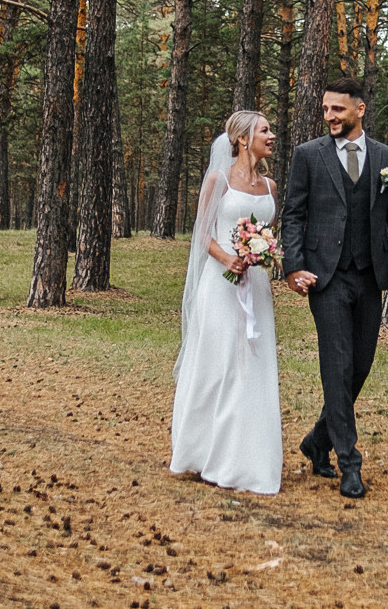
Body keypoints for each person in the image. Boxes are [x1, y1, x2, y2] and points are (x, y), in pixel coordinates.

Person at [281, 77, 388, 499]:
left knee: (359, 367)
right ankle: (349, 463)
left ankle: (316, 441)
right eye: (326, 109)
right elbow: (293, 214)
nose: (330, 116)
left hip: (370, 276)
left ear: (359, 110)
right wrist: (293, 267)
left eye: (338, 109)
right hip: (326, 277)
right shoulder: (308, 155)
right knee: (337, 366)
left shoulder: (385, 157)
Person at [170, 111, 283, 495]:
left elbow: (269, 232)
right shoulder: (218, 180)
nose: (271, 135)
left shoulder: (270, 186)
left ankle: (245, 458)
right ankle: (202, 452)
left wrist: (265, 253)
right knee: (218, 365)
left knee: (252, 367)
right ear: (241, 139)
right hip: (220, 285)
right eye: (265, 130)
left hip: (257, 286)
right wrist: (227, 259)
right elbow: (202, 234)